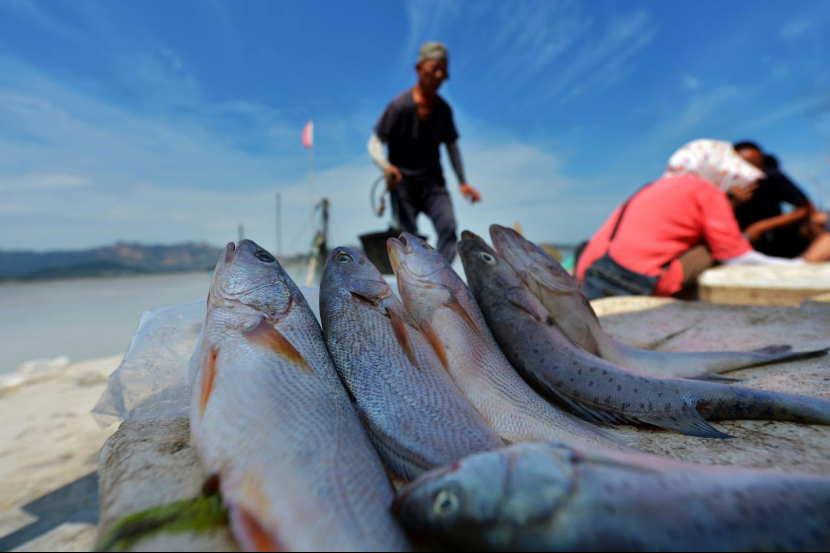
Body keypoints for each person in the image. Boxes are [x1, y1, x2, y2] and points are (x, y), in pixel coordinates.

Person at [576, 139, 806, 300]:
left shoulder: (651, 187)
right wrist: (796, 266)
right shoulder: (707, 191)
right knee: (712, 249)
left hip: (591, 273)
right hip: (641, 281)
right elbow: (736, 257)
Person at [368, 41, 481, 262]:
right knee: (408, 240)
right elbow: (375, 141)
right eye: (434, 68)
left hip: (433, 184)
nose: (438, 75)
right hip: (403, 185)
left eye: (443, 70)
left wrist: (463, 182)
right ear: (419, 69)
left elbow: (452, 147)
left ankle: (440, 277)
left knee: (448, 227)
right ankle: (414, 278)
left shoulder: (444, 111)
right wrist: (386, 167)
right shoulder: (400, 106)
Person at [733, 141, 830, 262]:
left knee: (820, 220)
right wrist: (734, 202)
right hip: (742, 243)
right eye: (744, 163)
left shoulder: (771, 175)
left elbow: (805, 208)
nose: (752, 168)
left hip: (781, 236)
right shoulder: (723, 185)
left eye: (756, 163)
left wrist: (760, 227)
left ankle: (813, 257)